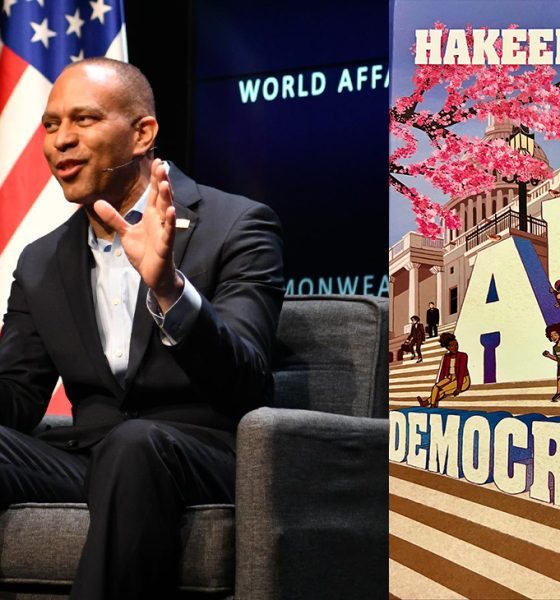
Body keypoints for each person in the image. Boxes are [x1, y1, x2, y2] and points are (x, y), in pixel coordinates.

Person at [0, 57, 284, 600]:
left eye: (83, 119)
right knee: (119, 448)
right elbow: (17, 396)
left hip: (201, 453)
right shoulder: (40, 261)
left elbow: (249, 383)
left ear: (142, 134)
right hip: (89, 455)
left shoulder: (237, 226)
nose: (60, 140)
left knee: (134, 445)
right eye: (51, 124)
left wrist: (170, 291)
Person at [417, 332, 470, 408]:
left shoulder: (463, 356)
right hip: (450, 378)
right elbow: (442, 371)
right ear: (447, 347)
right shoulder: (446, 356)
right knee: (436, 387)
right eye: (452, 345)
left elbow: (461, 372)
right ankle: (431, 404)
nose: (455, 347)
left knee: (443, 391)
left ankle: (429, 404)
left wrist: (458, 388)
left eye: (456, 345)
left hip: (463, 380)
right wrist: (441, 382)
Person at [542, 323, 560, 401]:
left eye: (555, 334)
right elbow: (556, 358)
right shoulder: (555, 348)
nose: (553, 337)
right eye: (551, 336)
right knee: (559, 379)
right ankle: (558, 393)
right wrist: (548, 355)